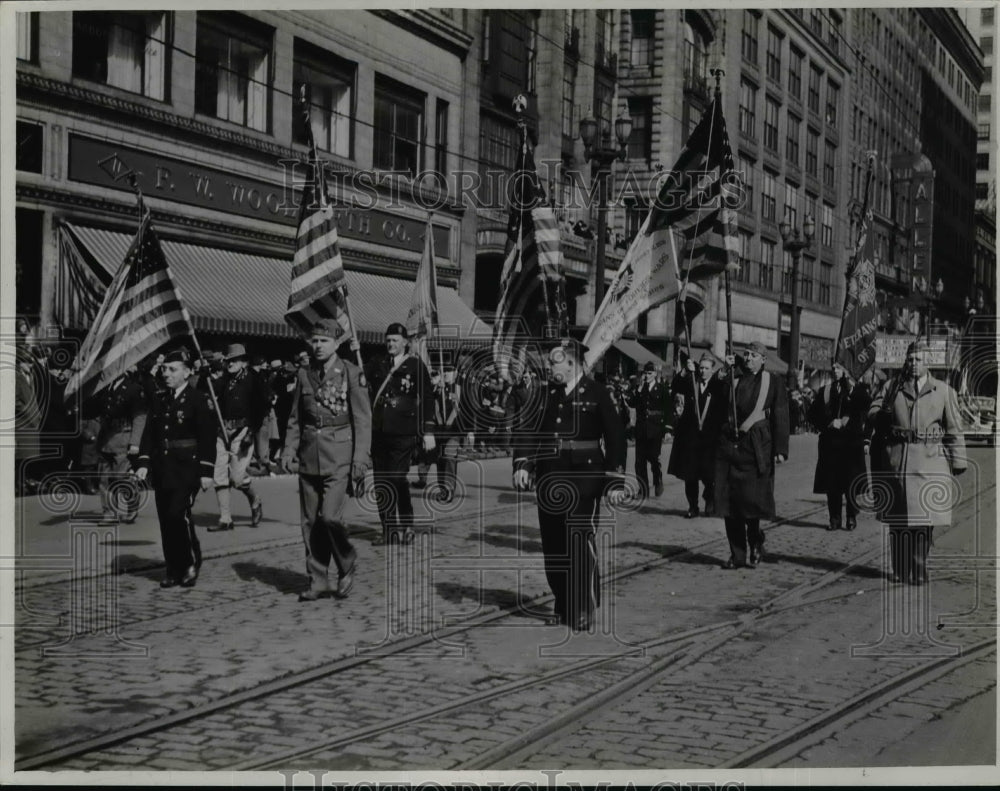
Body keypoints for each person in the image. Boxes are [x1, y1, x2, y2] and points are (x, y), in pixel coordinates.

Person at [512, 339, 627, 631]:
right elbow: (527, 429)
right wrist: (523, 463)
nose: (550, 366)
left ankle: (583, 606)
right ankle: (563, 603)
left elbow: (615, 437)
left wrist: (614, 481)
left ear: (573, 363)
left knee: (579, 540)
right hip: (550, 475)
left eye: (554, 362)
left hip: (585, 475)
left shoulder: (598, 393)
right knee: (554, 544)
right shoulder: (543, 394)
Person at [281, 320, 371, 601]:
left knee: (330, 517)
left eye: (323, 341)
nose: (318, 346)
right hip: (309, 455)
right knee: (310, 522)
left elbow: (362, 420)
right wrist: (288, 449)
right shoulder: (304, 375)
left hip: (340, 455)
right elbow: (296, 418)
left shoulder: (351, 373)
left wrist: (360, 459)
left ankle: (346, 561)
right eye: (315, 341)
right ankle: (317, 579)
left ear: (337, 344)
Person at [868, 340, 966, 585]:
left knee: (924, 520)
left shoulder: (943, 391)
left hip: (930, 460)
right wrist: (882, 413)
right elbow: (872, 412)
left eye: (919, 360)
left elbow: (954, 429)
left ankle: (919, 566)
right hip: (897, 461)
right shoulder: (891, 387)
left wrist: (959, 460)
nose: (914, 364)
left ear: (928, 362)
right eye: (910, 359)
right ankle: (900, 568)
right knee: (898, 520)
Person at [135, 348, 216, 588]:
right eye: (164, 369)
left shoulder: (199, 400)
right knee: (165, 519)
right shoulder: (160, 399)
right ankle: (172, 567)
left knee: (177, 515)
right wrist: (143, 462)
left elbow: (208, 437)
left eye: (173, 369)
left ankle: (189, 563)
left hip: (187, 469)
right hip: (164, 468)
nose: (167, 373)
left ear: (187, 372)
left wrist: (206, 471)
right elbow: (149, 434)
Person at [715, 342, 790, 569]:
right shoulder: (732, 377)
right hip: (730, 448)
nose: (748, 358)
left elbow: (781, 415)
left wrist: (780, 450)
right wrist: (721, 374)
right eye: (746, 354)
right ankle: (737, 555)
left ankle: (756, 540)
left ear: (763, 359)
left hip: (756, 448)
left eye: (753, 355)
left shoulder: (773, 382)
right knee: (730, 505)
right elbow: (714, 400)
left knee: (751, 504)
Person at [367, 323, 435, 545]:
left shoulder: (415, 366)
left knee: (397, 479)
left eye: (395, 340)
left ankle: (406, 524)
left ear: (406, 342)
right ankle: (388, 530)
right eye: (388, 340)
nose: (390, 344)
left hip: (403, 434)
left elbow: (427, 398)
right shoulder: (377, 364)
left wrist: (428, 431)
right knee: (381, 482)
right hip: (378, 432)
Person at [208, 343, 268, 531]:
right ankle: (225, 519)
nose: (230, 364)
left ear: (243, 362)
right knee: (219, 476)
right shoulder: (225, 379)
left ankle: (255, 500)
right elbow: (209, 389)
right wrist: (204, 375)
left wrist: (251, 432)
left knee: (237, 479)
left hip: (242, 431)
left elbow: (262, 407)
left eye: (234, 360)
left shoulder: (254, 379)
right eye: (228, 361)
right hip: (222, 430)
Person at [810, 362, 870, 531]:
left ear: (846, 370)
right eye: (834, 368)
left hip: (851, 444)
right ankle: (834, 519)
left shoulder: (857, 390)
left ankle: (851, 517)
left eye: (839, 368)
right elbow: (812, 415)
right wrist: (828, 423)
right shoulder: (826, 390)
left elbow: (865, 406)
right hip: (831, 445)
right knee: (832, 485)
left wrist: (852, 389)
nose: (834, 371)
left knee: (851, 483)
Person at [668, 354, 725, 518]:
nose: (703, 371)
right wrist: (685, 370)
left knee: (709, 474)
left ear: (712, 370)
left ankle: (709, 499)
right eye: (701, 367)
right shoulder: (691, 382)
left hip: (709, 438)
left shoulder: (717, 386)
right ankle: (693, 506)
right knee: (690, 475)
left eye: (707, 368)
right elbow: (676, 385)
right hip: (691, 436)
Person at [94, 369, 148, 523]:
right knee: (104, 479)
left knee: (120, 478)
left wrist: (135, 442)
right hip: (105, 438)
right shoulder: (104, 388)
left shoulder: (133, 388)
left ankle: (132, 504)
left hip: (124, 436)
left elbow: (139, 417)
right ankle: (109, 512)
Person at [627, 361, 669, 498]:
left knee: (653, 458)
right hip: (641, 428)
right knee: (639, 461)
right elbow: (631, 403)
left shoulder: (661, 388)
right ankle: (643, 490)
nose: (647, 376)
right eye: (645, 373)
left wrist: (667, 429)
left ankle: (658, 479)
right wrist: (638, 389)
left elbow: (667, 409)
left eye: (649, 373)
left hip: (655, 428)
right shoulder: (640, 388)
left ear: (655, 374)